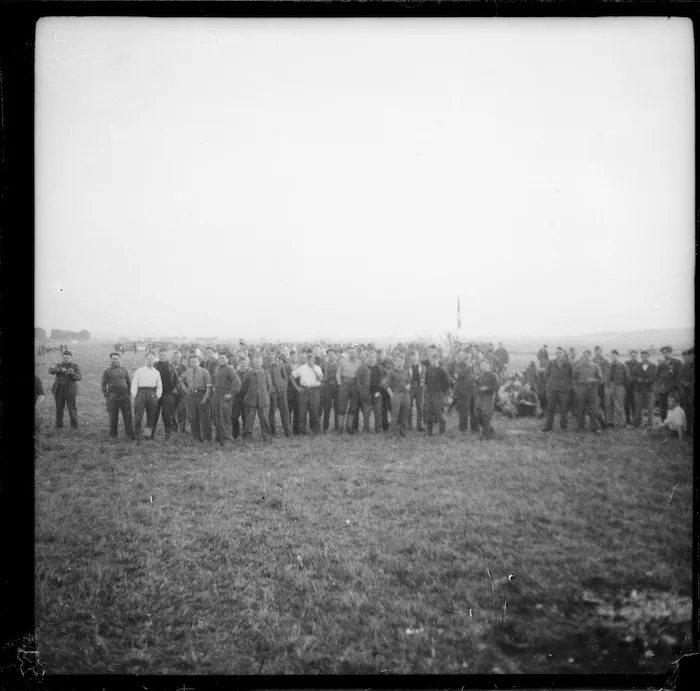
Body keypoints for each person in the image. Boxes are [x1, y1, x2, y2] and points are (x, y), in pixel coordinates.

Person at [101, 351, 135, 440]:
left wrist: (129, 393)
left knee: (128, 416)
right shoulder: (107, 371)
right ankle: (113, 435)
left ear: (120, 359)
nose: (115, 360)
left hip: (125, 396)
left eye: (117, 358)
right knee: (113, 417)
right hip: (113, 397)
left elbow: (129, 381)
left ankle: (130, 434)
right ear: (111, 360)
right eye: (113, 359)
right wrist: (106, 395)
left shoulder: (124, 369)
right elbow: (103, 384)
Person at [240, 354, 273, 442]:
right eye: (255, 362)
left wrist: (264, 396)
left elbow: (269, 388)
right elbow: (244, 387)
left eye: (259, 362)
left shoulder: (266, 373)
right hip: (251, 401)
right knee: (249, 419)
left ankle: (266, 436)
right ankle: (247, 437)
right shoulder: (249, 374)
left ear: (261, 363)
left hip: (263, 401)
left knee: (264, 419)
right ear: (253, 363)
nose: (257, 364)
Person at [130, 351, 163, 439]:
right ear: (145, 359)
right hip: (140, 394)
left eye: (152, 358)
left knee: (151, 416)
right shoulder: (139, 371)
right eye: (148, 358)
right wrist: (135, 395)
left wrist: (157, 396)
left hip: (152, 394)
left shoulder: (157, 372)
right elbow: (134, 384)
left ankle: (147, 435)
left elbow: (159, 386)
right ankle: (137, 434)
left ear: (154, 360)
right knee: (138, 417)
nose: (150, 360)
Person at [180, 354, 213, 442]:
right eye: (192, 362)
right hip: (191, 396)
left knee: (204, 418)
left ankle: (207, 438)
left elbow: (209, 387)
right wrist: (185, 389)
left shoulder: (204, 371)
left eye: (195, 361)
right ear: (189, 363)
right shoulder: (187, 371)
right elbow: (181, 381)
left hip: (201, 394)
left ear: (199, 362)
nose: (194, 363)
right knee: (193, 417)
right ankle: (196, 437)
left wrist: (205, 398)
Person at [212, 352, 241, 446]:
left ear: (227, 359)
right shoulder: (218, 369)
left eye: (223, 358)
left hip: (225, 396)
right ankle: (219, 438)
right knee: (217, 417)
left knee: (225, 417)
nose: (221, 360)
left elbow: (237, 382)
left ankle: (227, 440)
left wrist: (231, 394)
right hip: (217, 395)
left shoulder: (229, 369)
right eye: (219, 358)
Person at [292, 349, 324, 434]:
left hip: (314, 391)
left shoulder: (318, 368)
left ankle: (315, 430)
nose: (311, 360)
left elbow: (321, 379)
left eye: (312, 359)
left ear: (314, 359)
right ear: (307, 360)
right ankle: (302, 431)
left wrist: (313, 369)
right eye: (309, 359)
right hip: (304, 391)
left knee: (314, 412)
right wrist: (297, 387)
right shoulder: (302, 368)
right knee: (302, 412)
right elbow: (291, 376)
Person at [49, 350, 82, 431]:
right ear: (62, 358)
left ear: (71, 358)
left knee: (72, 409)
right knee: (59, 408)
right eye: (64, 357)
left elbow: (80, 377)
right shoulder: (58, 365)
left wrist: (72, 373)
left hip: (70, 391)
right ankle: (58, 426)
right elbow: (50, 370)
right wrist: (59, 369)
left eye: (68, 358)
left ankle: (74, 427)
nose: (66, 359)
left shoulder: (75, 366)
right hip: (59, 390)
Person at [151, 348, 180, 440]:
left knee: (167, 415)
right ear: (158, 356)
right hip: (155, 393)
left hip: (168, 393)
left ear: (167, 356)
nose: (163, 357)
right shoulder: (154, 365)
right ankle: (148, 434)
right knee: (152, 415)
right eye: (161, 355)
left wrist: (175, 388)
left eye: (164, 355)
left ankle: (168, 434)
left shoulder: (171, 366)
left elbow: (176, 379)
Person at [573, 349, 603, 434]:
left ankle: (595, 427)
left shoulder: (596, 366)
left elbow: (601, 380)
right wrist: (576, 387)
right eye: (584, 355)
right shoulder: (578, 366)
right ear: (582, 356)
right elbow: (574, 378)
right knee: (580, 408)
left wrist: (593, 379)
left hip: (592, 389)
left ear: (591, 356)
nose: (586, 357)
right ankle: (580, 426)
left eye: (588, 355)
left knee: (594, 409)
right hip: (581, 388)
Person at [543, 348, 572, 431]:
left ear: (563, 354)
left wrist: (566, 386)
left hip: (563, 390)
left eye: (560, 353)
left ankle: (564, 427)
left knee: (564, 409)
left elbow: (571, 376)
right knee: (550, 408)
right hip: (552, 389)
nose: (558, 354)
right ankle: (548, 427)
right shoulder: (551, 363)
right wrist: (551, 383)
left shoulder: (568, 364)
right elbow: (546, 375)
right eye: (557, 353)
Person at [424, 347, 452, 436]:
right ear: (430, 360)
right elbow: (426, 382)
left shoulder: (442, 371)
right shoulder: (428, 370)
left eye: (435, 360)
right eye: (432, 360)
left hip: (438, 394)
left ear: (438, 360)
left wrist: (445, 395)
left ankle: (442, 432)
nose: (434, 361)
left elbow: (447, 384)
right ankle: (429, 432)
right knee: (428, 413)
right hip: (429, 394)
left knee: (438, 413)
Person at [382, 353, 410, 437]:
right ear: (394, 362)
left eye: (401, 361)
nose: (399, 363)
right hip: (396, 394)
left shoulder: (405, 371)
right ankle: (392, 433)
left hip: (405, 395)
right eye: (398, 361)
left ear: (404, 362)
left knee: (404, 414)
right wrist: (392, 395)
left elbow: (408, 382)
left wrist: (409, 385)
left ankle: (402, 431)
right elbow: (386, 385)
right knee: (395, 415)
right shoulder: (391, 372)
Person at [336, 346, 362, 435]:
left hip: (354, 385)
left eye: (354, 352)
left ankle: (349, 427)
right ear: (348, 353)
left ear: (356, 353)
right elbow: (338, 373)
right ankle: (340, 428)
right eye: (350, 352)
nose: (352, 354)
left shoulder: (359, 362)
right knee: (342, 407)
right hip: (345, 383)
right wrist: (339, 383)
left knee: (353, 406)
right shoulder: (342, 361)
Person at [452, 350, 478, 432]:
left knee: (474, 410)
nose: (468, 356)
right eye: (466, 355)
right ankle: (463, 429)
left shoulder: (472, 364)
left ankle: (475, 429)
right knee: (464, 411)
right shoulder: (458, 365)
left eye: (469, 354)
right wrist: (468, 367)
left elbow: (476, 374)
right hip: (463, 391)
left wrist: (474, 376)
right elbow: (459, 374)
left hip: (473, 390)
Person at [655, 346, 682, 424]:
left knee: (672, 406)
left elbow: (679, 376)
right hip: (662, 389)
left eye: (667, 353)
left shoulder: (677, 362)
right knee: (662, 406)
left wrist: (674, 386)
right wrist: (659, 386)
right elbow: (657, 375)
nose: (665, 354)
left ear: (671, 353)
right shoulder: (661, 363)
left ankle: (673, 424)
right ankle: (664, 423)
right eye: (664, 353)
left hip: (672, 389)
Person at [269, 353, 292, 437]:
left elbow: (285, 377)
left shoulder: (281, 366)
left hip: (281, 391)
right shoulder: (266, 366)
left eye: (272, 356)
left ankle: (288, 433)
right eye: (269, 356)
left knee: (285, 412)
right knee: (271, 413)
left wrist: (284, 387)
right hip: (273, 393)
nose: (271, 357)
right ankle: (273, 432)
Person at [474, 360, 498, 439]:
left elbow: (495, 387)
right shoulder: (480, 376)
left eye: (484, 365)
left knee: (486, 416)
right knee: (478, 415)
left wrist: (487, 388)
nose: (482, 367)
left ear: (488, 366)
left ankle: (485, 435)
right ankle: (490, 430)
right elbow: (476, 386)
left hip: (488, 398)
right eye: (481, 365)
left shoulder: (492, 376)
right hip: (480, 398)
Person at [633, 350, 657, 428]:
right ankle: (637, 424)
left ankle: (651, 424)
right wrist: (637, 379)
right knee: (638, 407)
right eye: (642, 356)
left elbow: (656, 377)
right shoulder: (637, 366)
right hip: (639, 390)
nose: (644, 358)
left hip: (649, 389)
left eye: (645, 356)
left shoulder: (653, 366)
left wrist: (649, 380)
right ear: (640, 357)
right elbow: (632, 377)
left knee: (650, 408)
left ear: (648, 356)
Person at [607, 350, 630, 428]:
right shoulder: (608, 366)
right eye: (611, 356)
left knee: (619, 405)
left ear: (618, 356)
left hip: (619, 386)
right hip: (610, 386)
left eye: (614, 355)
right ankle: (610, 422)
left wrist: (625, 388)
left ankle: (620, 423)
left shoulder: (623, 366)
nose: (613, 357)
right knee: (609, 405)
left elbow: (627, 378)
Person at [406, 351, 426, 432]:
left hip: (419, 387)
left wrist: (422, 382)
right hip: (410, 387)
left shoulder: (423, 366)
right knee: (409, 406)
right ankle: (409, 424)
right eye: (412, 356)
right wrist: (408, 383)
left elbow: (424, 376)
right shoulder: (407, 367)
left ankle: (419, 425)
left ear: (418, 357)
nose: (414, 358)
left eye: (415, 356)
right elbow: (406, 377)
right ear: (410, 357)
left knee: (419, 407)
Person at [321, 349, 339, 433]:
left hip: (337, 387)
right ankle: (325, 427)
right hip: (327, 387)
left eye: (333, 354)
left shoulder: (338, 364)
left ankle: (337, 427)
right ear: (327, 355)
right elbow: (320, 375)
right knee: (327, 408)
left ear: (335, 355)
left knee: (337, 407)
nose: (331, 355)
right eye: (329, 354)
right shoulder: (324, 364)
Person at [593, 346, 612, 429]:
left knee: (605, 404)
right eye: (596, 351)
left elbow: (608, 373)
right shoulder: (592, 361)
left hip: (603, 385)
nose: (598, 352)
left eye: (599, 351)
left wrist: (603, 380)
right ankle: (598, 422)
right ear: (594, 352)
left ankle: (606, 422)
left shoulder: (606, 362)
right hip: (594, 386)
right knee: (596, 404)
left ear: (601, 352)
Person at [232, 354, 250, 440]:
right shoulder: (235, 373)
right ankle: (235, 434)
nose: (243, 365)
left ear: (247, 363)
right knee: (234, 416)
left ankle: (245, 435)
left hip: (247, 398)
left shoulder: (250, 373)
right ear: (239, 363)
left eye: (244, 363)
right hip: (237, 398)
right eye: (241, 363)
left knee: (246, 417)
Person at [171, 350, 189, 434]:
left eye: (178, 357)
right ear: (172, 358)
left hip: (182, 393)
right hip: (172, 392)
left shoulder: (184, 367)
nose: (176, 359)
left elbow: (188, 380)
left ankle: (182, 429)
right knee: (172, 411)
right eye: (174, 357)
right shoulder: (169, 367)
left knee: (182, 410)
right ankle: (174, 428)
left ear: (180, 358)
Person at [679, 348, 694, 439]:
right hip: (685, 394)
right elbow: (679, 379)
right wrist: (682, 384)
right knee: (687, 413)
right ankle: (688, 431)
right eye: (684, 357)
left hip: (690, 393)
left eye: (688, 356)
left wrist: (688, 384)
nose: (686, 358)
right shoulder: (683, 367)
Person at [623, 350, 639, 426]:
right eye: (632, 355)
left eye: (635, 355)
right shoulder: (626, 364)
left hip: (636, 387)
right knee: (626, 404)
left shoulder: (639, 364)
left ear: (637, 356)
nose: (633, 356)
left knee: (634, 404)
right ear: (630, 356)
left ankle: (635, 420)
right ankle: (627, 419)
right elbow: (623, 374)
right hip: (627, 387)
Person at [35, 374, 46, 455]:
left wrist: (37, 407)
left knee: (38, 426)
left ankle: (38, 451)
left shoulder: (36, 378)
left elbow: (41, 395)